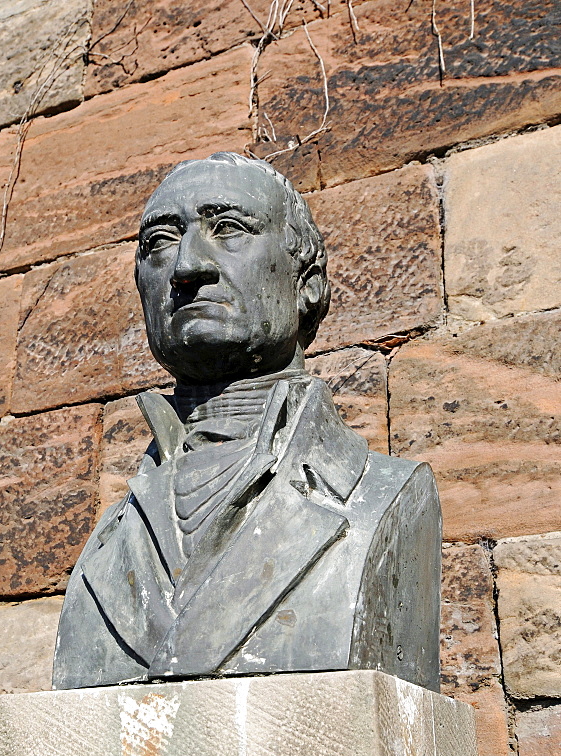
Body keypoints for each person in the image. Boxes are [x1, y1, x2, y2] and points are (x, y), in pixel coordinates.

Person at [53, 152, 441, 691]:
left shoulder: (384, 498)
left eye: (229, 228)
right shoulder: (107, 540)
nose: (188, 266)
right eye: (160, 242)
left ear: (306, 281)